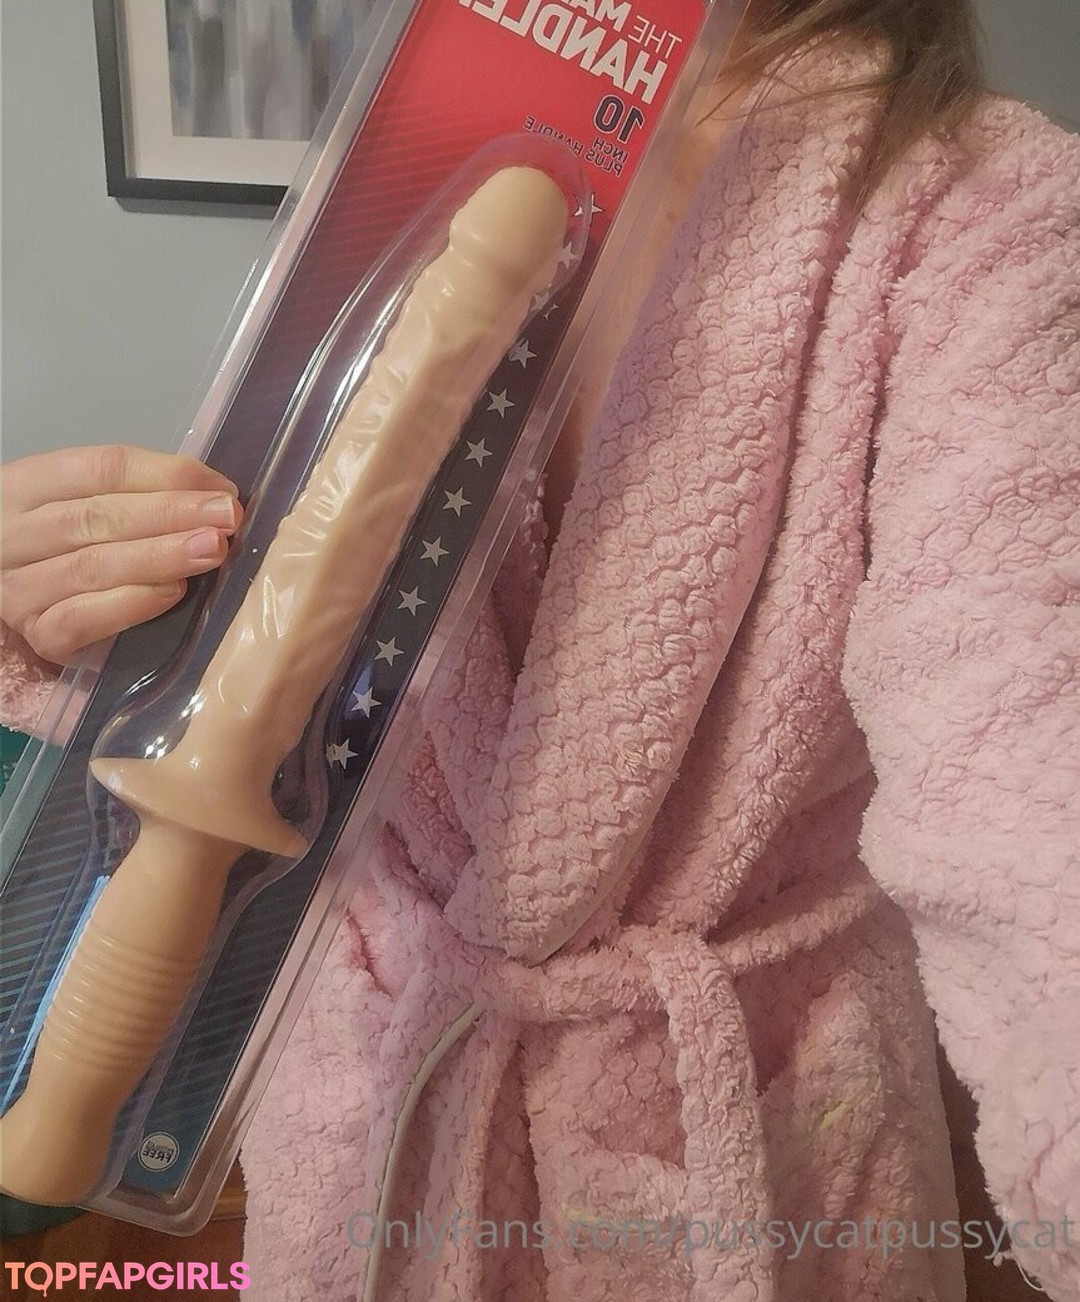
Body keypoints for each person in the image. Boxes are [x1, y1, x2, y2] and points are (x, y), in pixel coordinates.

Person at [2, 1, 1078, 1297]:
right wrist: (95, 618)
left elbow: (1018, 765)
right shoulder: (429, 125)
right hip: (378, 1124)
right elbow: (300, 661)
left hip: (756, 1158)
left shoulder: (981, 213)